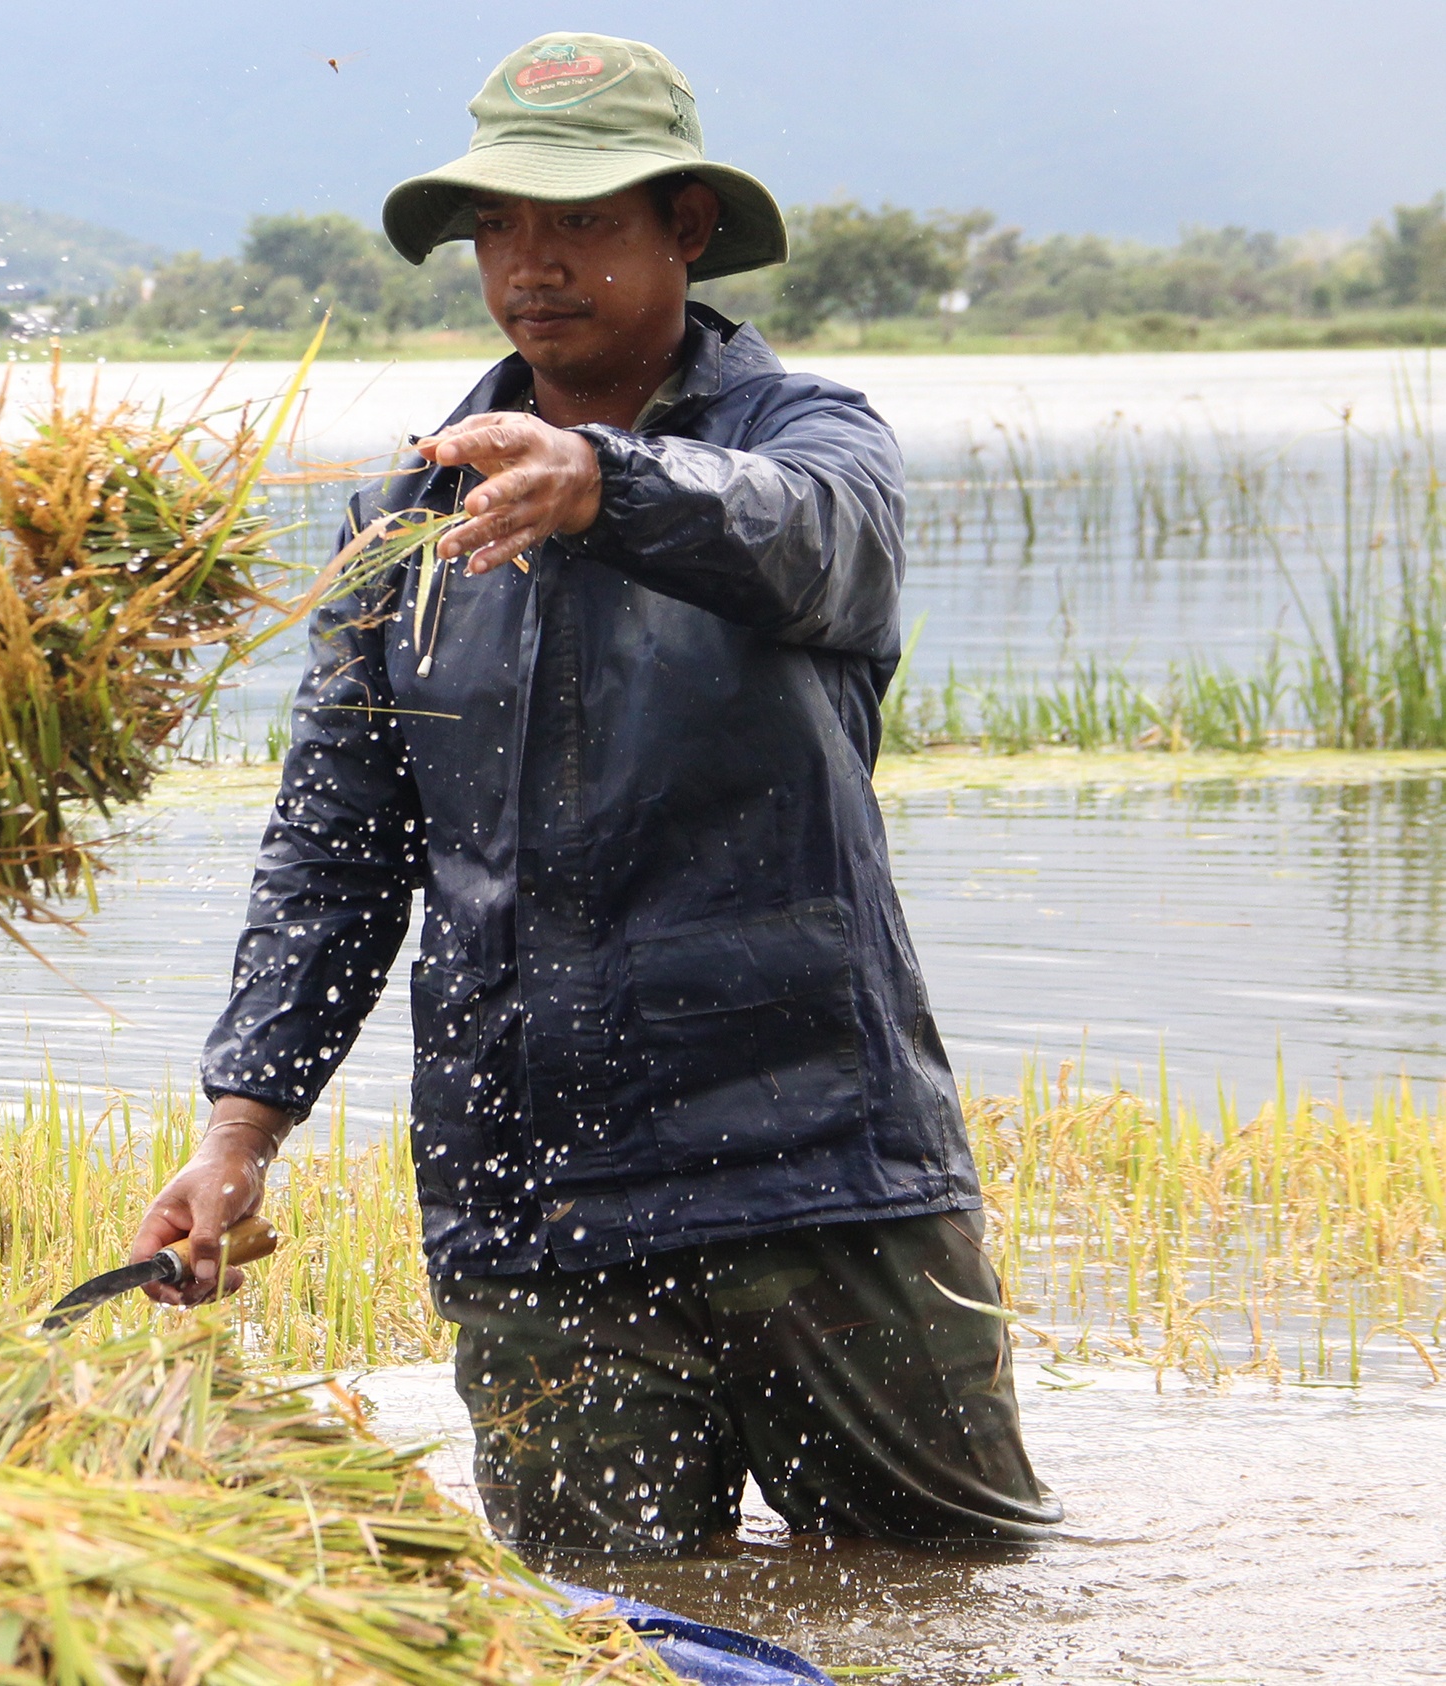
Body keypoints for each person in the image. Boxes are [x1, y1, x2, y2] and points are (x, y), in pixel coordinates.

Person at [128, 32, 1059, 1575]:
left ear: (685, 229)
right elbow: (337, 853)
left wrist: (600, 482)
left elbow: (813, 543)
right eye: (500, 225)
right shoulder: (401, 527)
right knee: (600, 1632)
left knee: (954, 1613)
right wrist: (243, 1124)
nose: (531, 265)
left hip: (826, 1180)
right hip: (539, 1208)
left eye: (582, 223)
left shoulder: (811, 446)